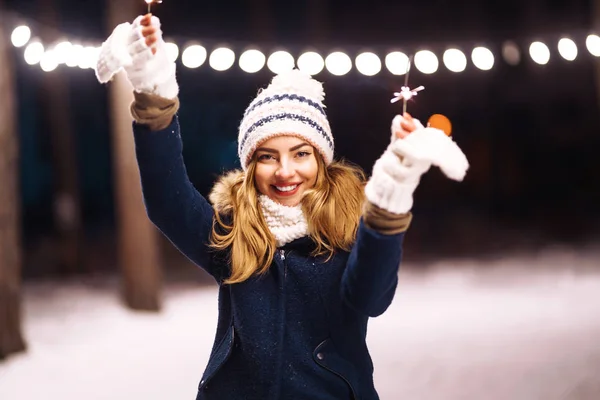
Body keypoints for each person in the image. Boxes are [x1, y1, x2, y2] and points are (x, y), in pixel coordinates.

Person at [95, 13, 469, 400]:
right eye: (268, 156)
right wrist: (154, 97)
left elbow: (372, 299)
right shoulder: (235, 234)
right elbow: (165, 200)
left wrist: (390, 199)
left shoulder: (349, 229)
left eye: (301, 153)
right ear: (250, 165)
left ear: (321, 160)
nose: (285, 171)